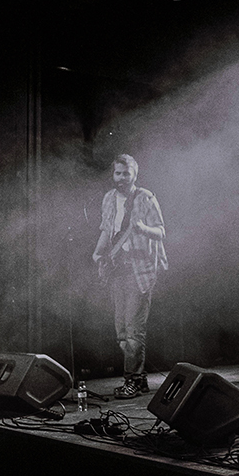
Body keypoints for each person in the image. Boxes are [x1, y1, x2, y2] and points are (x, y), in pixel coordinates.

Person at [93, 154, 167, 398]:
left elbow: (161, 231)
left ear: (135, 174)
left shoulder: (145, 198)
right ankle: (141, 379)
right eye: (118, 173)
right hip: (117, 269)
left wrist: (143, 228)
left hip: (141, 270)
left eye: (126, 173)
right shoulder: (109, 199)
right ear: (113, 175)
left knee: (134, 329)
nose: (122, 178)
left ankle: (132, 380)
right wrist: (97, 254)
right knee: (122, 331)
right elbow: (106, 229)